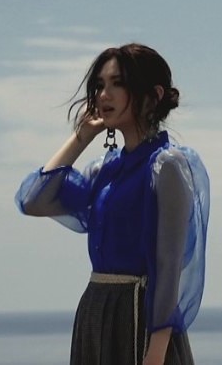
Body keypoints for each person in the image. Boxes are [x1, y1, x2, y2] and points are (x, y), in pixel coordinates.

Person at [16, 43, 210, 365]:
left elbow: (169, 264)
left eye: (117, 84)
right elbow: (33, 201)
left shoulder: (167, 166)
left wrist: (157, 351)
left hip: (141, 319)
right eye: (99, 85)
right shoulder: (104, 170)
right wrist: (81, 137)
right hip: (96, 312)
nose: (103, 95)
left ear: (153, 95)